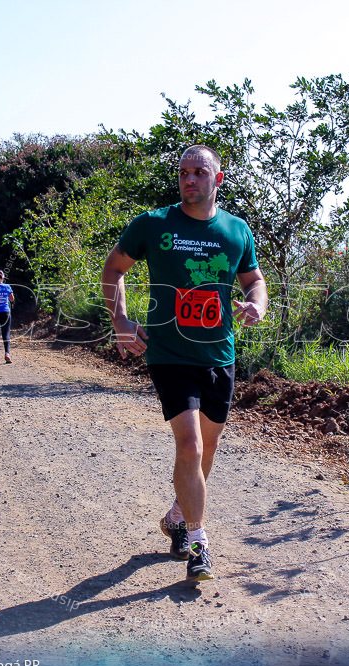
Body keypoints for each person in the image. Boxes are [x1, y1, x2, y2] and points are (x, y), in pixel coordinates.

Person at [101, 145, 267, 582]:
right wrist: (120, 319)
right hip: (169, 354)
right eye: (183, 172)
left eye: (199, 172)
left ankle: (178, 516)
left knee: (207, 448)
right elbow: (113, 269)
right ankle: (198, 544)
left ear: (219, 178)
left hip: (219, 354)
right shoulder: (154, 225)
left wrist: (257, 304)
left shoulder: (236, 231)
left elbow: (254, 280)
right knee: (190, 445)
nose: (189, 179)